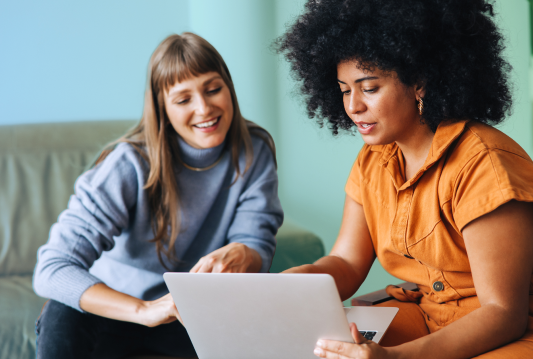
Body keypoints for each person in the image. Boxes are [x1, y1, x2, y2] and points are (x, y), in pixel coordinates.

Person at [276, 0, 533, 357]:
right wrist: (301, 282)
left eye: (368, 88)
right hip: (427, 316)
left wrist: (397, 357)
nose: (353, 107)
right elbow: (348, 263)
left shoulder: (484, 163)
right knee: (318, 346)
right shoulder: (371, 160)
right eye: (344, 89)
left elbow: (504, 314)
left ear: (420, 83)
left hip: (503, 333)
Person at [33, 32, 283, 359]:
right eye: (183, 100)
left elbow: (257, 245)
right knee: (61, 313)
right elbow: (52, 269)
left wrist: (244, 253)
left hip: (191, 317)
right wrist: (143, 310)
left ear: (229, 88)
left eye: (213, 89)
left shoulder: (254, 150)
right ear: (163, 109)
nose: (204, 108)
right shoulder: (128, 163)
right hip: (118, 313)